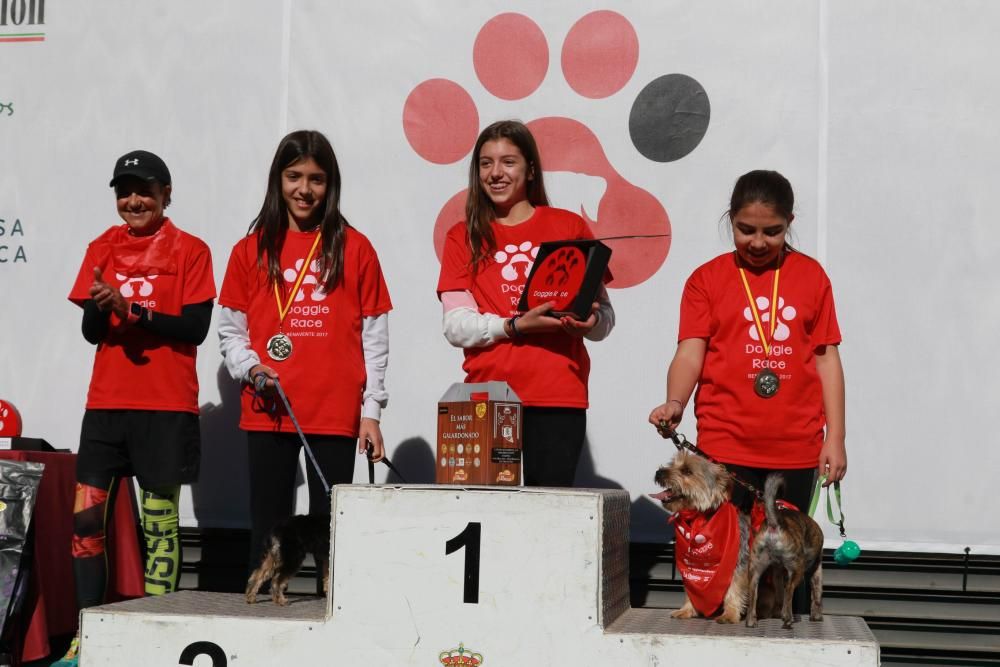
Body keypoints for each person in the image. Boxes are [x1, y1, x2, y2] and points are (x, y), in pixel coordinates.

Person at [647, 169, 846, 612]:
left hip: (794, 451)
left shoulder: (811, 277)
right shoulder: (707, 279)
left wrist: (835, 437)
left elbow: (826, 358)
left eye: (772, 232)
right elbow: (690, 352)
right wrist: (675, 401)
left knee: (784, 569)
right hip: (725, 452)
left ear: (790, 222)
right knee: (724, 569)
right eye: (746, 229)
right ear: (730, 219)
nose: (758, 242)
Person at [61, 150, 215, 666]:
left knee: (160, 526)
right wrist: (102, 309)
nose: (133, 201)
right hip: (106, 407)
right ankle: (88, 637)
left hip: (165, 408)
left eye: (144, 190)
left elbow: (194, 328)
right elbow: (90, 334)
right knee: (85, 522)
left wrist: (133, 309)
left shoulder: (191, 250)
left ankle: (155, 636)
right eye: (124, 191)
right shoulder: (100, 248)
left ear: (166, 194)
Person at [218, 130, 391, 572]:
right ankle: (259, 619)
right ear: (278, 179)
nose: (304, 189)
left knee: (331, 530)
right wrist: (252, 367)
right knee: (269, 527)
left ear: (330, 185)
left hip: (334, 411)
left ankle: (330, 617)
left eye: (316, 179)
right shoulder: (249, 250)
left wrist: (371, 411)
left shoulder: (356, 247)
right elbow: (230, 333)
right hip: (270, 408)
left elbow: (374, 338)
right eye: (294, 176)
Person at [436, 120, 615, 487]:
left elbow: (605, 317)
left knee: (547, 515)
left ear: (530, 169)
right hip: (486, 396)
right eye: (486, 163)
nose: (496, 173)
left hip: (558, 395)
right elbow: (455, 325)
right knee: (484, 517)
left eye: (508, 162)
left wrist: (589, 323)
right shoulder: (462, 236)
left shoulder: (568, 227)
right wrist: (514, 326)